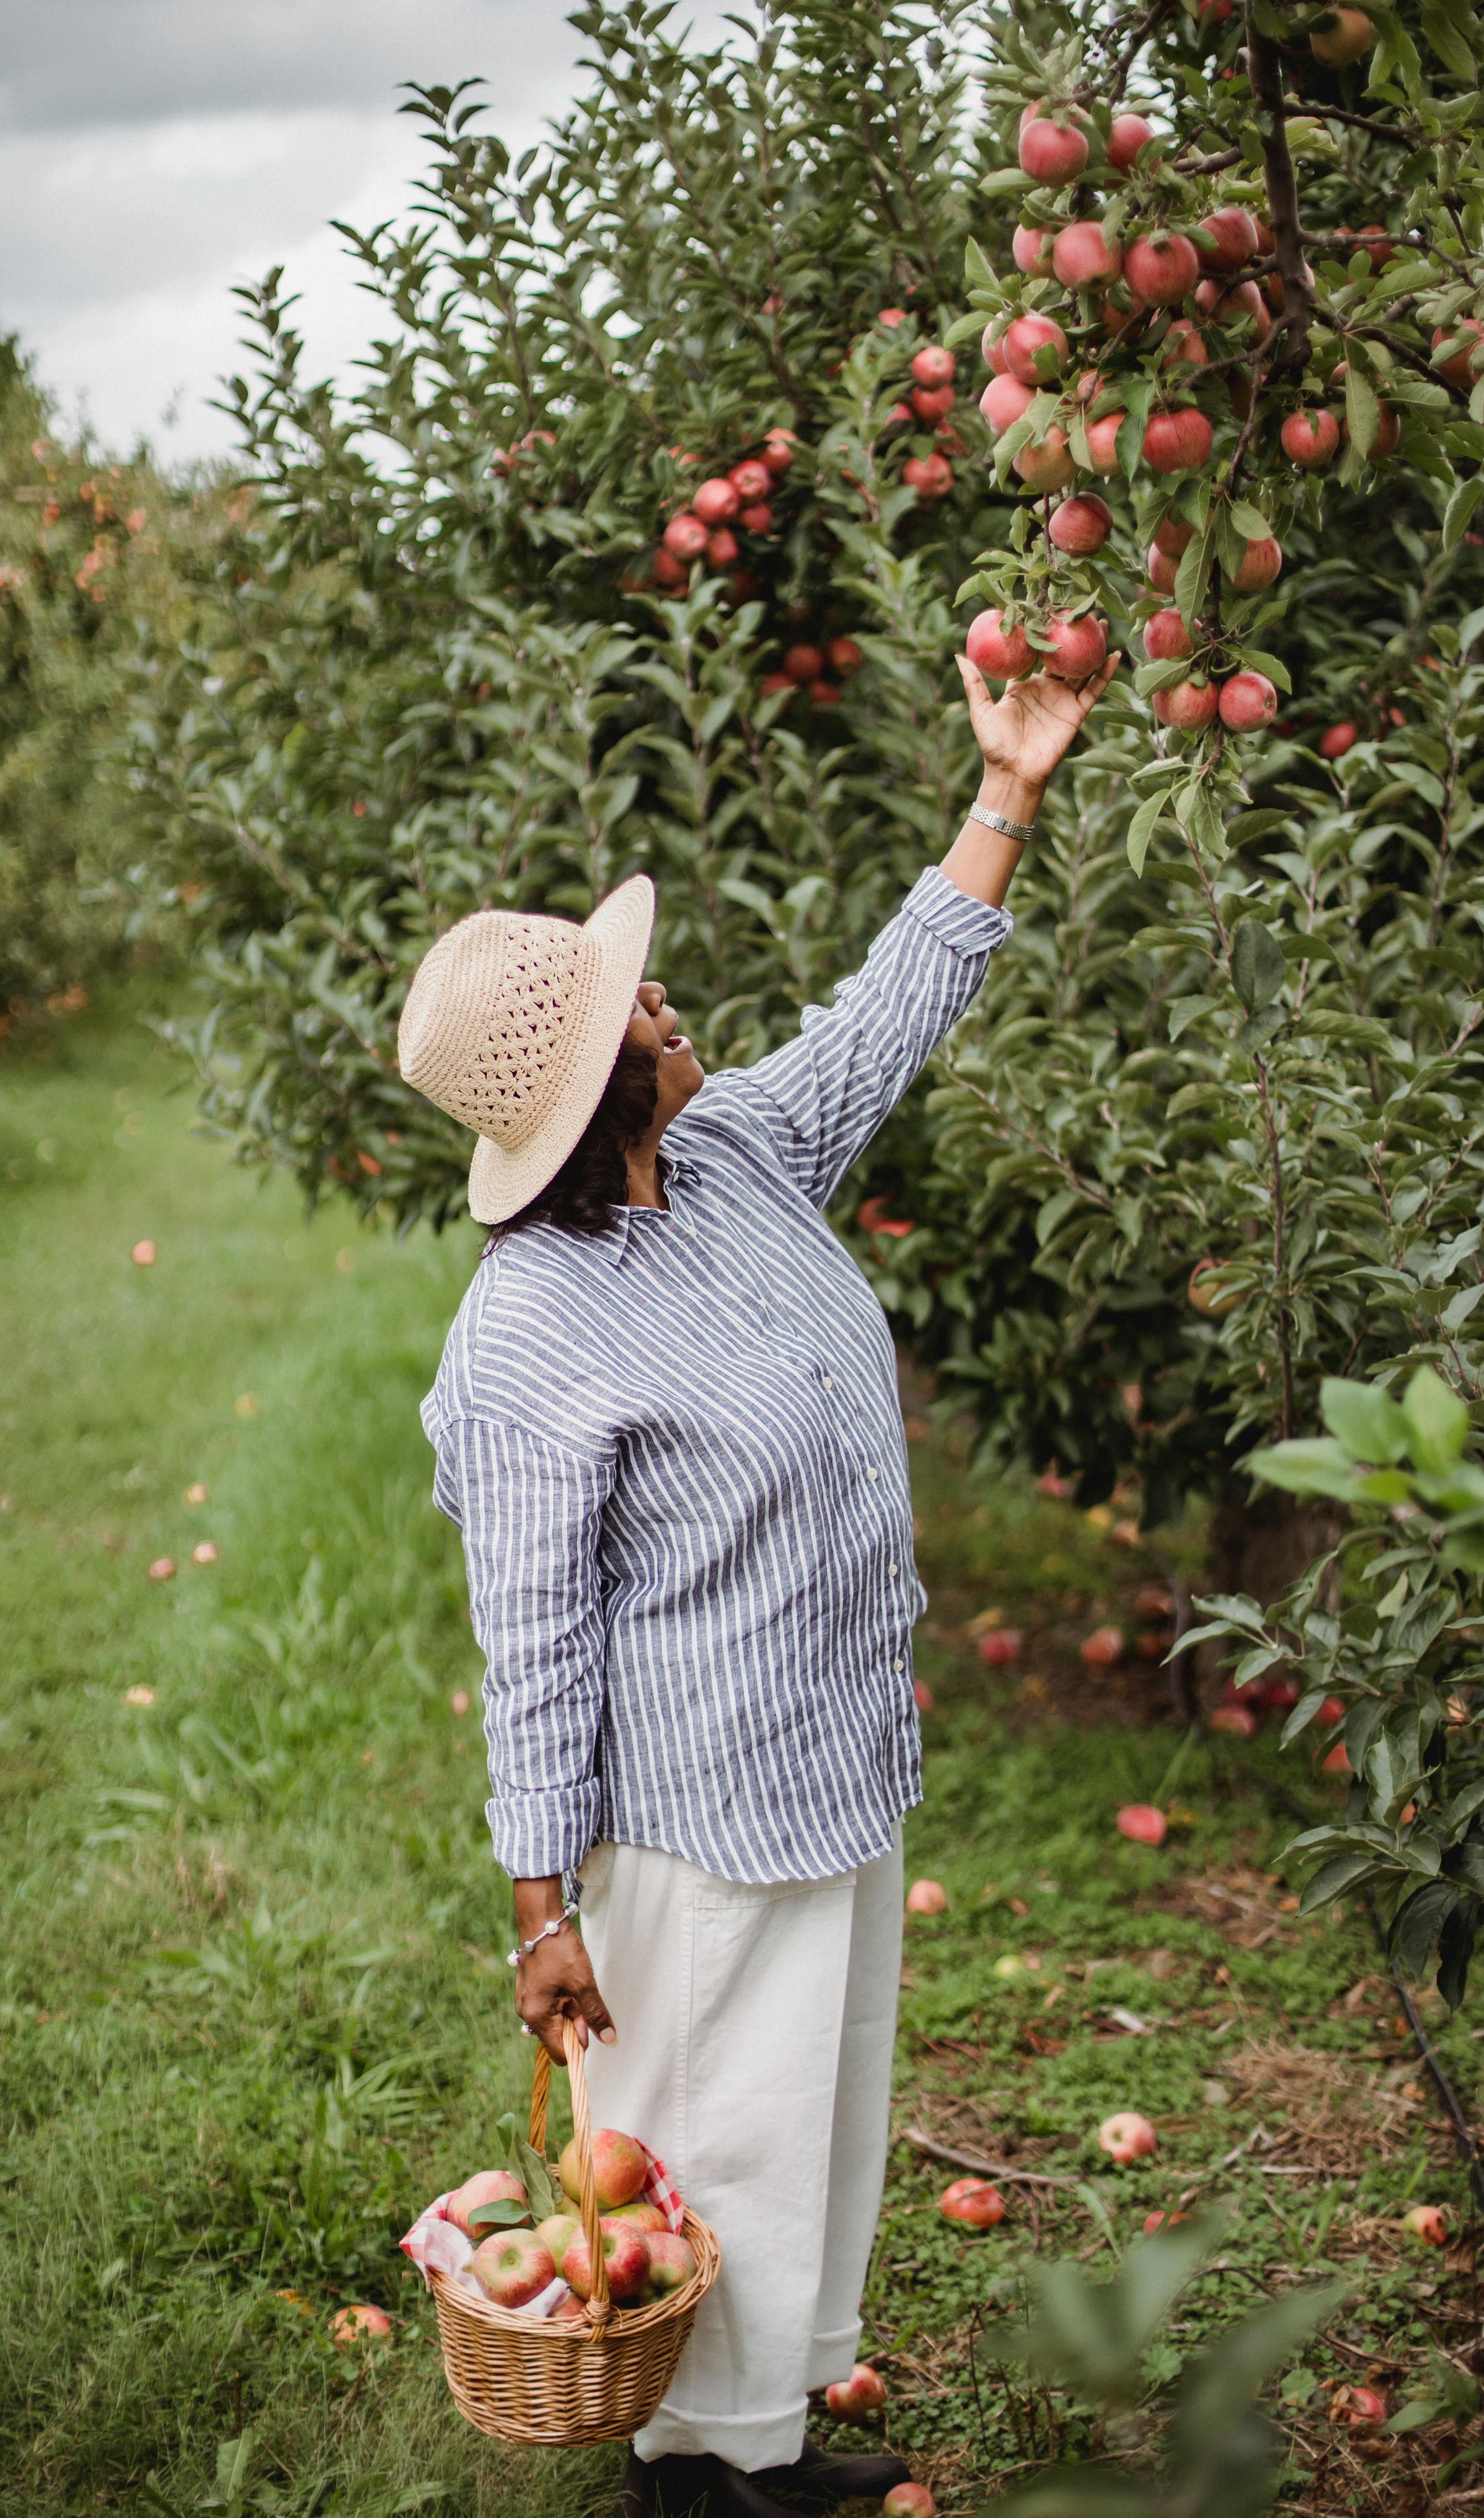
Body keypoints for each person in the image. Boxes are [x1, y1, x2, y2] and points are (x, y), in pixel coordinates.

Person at [397, 649, 1116, 2518]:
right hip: (702, 1822)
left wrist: (1007, 787)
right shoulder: (530, 1339)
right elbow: (535, 1645)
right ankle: (690, 2480)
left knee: (799, 2133)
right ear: (583, 1090)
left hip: (831, 1758)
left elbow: (883, 1016)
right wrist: (541, 1908)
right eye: (630, 1002)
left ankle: (747, 2447)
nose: (662, 992)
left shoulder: (725, 1153)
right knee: (705, 2141)